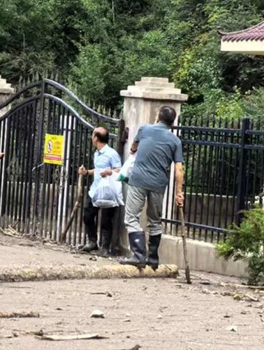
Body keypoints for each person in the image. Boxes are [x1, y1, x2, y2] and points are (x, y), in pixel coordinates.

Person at [119, 106, 185, 269]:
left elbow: (134, 146)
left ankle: (138, 254)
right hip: (158, 184)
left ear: (158, 117)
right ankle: (153, 258)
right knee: (155, 220)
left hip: (139, 180)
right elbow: (179, 169)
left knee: (131, 217)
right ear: (172, 123)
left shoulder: (145, 129)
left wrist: (134, 149)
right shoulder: (175, 141)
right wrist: (179, 193)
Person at [78, 127, 122, 255]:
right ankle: (92, 242)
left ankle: (105, 248)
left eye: (93, 135)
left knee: (106, 220)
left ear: (96, 138)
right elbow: (98, 170)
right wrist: (86, 172)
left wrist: (109, 172)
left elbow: (119, 170)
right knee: (87, 215)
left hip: (108, 191)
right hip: (95, 190)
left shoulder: (112, 153)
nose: (91, 137)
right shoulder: (97, 153)